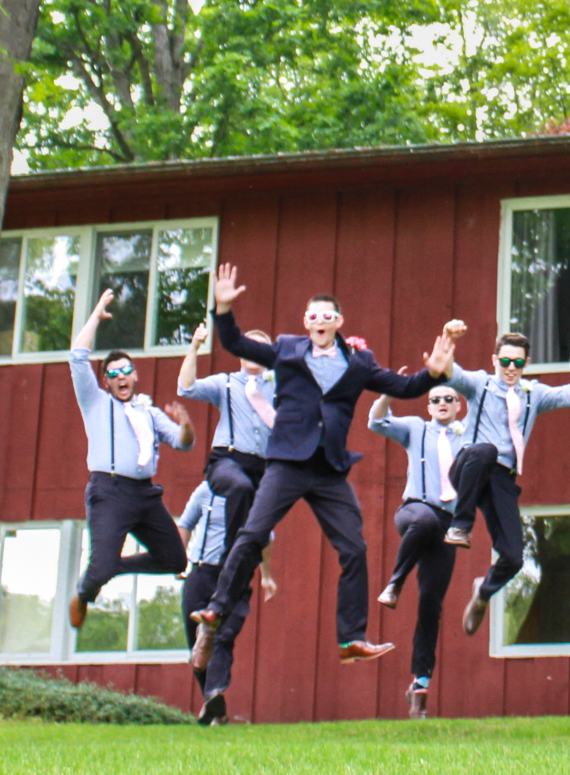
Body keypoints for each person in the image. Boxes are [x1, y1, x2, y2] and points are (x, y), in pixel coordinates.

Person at [189, 263, 455, 672]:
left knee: (354, 548)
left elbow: (404, 388)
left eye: (326, 316)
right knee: (253, 533)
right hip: (288, 462)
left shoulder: (359, 363)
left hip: (328, 469)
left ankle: (351, 638)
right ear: (305, 322)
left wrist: (433, 372)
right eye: (312, 316)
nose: (319, 322)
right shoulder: (286, 350)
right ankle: (215, 611)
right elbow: (237, 343)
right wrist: (222, 310)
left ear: (339, 323)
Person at [434, 323, 570, 637]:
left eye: (518, 363)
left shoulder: (532, 394)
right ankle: (461, 524)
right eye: (506, 361)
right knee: (484, 451)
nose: (511, 368)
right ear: (494, 360)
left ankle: (483, 595)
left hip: (501, 479)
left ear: (526, 364)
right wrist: (449, 340)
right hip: (470, 465)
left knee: (513, 556)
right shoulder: (479, 384)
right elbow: (450, 371)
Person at [66, 289, 193, 629]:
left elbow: (183, 443)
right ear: (106, 382)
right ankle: (83, 593)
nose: (121, 377)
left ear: (135, 375)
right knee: (101, 567)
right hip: (109, 492)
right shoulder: (96, 404)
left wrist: (186, 424)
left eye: (126, 371)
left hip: (144, 494)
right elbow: (78, 357)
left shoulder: (148, 412)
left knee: (174, 558)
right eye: (113, 374)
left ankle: (115, 566)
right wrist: (95, 316)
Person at [367, 383, 467, 718]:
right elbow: (376, 423)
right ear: (428, 406)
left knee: (430, 604)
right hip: (413, 511)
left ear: (458, 405)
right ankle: (395, 583)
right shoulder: (415, 428)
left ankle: (419, 686)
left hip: (448, 525)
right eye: (435, 399)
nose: (441, 403)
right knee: (423, 520)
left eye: (448, 399)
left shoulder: (467, 436)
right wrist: (387, 394)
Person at [176, 480, 276, 727]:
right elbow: (186, 524)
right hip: (200, 574)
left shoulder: (256, 496)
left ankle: (214, 694)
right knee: (197, 644)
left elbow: (266, 538)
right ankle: (215, 706)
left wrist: (267, 576)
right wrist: (181, 559)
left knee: (222, 636)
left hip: (236, 579)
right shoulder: (205, 490)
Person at [178, 318, 276, 566]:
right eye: (249, 346)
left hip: (262, 467)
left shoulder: (279, 388)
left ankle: (239, 574)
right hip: (228, 461)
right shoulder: (226, 383)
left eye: (261, 348)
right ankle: (231, 555)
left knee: (260, 521)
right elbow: (186, 388)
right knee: (239, 487)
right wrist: (194, 348)